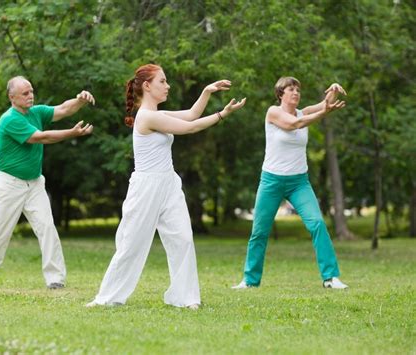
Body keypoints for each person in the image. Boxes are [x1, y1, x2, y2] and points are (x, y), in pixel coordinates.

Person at [86, 64, 246, 309]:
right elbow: (191, 128)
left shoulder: (158, 114)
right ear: (147, 86)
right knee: (131, 244)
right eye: (163, 81)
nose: (168, 85)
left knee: (182, 238)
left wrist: (207, 91)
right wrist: (222, 115)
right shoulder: (148, 116)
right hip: (146, 187)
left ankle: (186, 298)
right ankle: (107, 297)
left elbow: (192, 115)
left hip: (168, 183)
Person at [0, 76, 95, 289]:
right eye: (25, 93)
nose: (30, 96)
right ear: (12, 97)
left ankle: (55, 279)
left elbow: (63, 109)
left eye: (31, 91)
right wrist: (72, 133)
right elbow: (41, 137)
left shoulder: (36, 112)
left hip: (34, 183)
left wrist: (80, 100)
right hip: (9, 184)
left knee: (47, 228)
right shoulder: (9, 119)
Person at [233, 77, 349, 290]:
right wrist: (324, 112)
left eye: (298, 89)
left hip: (299, 183)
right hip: (271, 181)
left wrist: (333, 89)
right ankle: (250, 281)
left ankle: (331, 277)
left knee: (317, 224)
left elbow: (324, 105)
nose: (296, 92)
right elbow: (295, 124)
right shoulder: (273, 112)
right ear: (280, 94)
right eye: (291, 89)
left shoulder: (303, 112)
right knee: (259, 231)